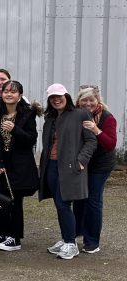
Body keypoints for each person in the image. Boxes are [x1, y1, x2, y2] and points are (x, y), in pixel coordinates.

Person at [0, 80, 40, 252]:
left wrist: (15, 129)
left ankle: (14, 238)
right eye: (6, 91)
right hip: (0, 165)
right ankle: (3, 233)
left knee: (15, 203)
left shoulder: (27, 115)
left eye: (13, 92)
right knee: (0, 201)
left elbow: (31, 140)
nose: (8, 94)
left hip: (19, 167)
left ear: (20, 95)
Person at [40, 83, 97, 260]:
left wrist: (81, 160)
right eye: (52, 97)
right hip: (51, 165)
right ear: (49, 100)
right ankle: (66, 240)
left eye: (60, 96)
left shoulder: (81, 114)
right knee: (59, 204)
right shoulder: (50, 117)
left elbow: (91, 141)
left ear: (67, 96)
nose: (57, 99)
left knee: (64, 203)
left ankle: (71, 244)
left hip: (70, 167)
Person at [74, 85, 116, 254]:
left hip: (100, 165)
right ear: (78, 102)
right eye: (84, 100)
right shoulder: (74, 115)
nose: (88, 103)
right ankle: (76, 232)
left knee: (93, 200)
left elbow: (110, 144)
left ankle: (92, 241)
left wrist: (95, 129)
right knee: (78, 198)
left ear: (98, 101)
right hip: (81, 162)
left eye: (91, 100)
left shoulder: (107, 118)